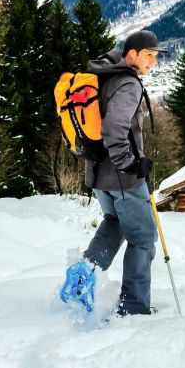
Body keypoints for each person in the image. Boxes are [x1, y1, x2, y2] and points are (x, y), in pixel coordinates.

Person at [60, 29, 169, 316]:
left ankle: (84, 274)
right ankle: (133, 307)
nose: (152, 62)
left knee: (115, 221)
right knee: (143, 239)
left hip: (97, 175)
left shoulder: (102, 76)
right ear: (131, 54)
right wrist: (131, 164)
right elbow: (113, 129)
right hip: (123, 178)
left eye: (155, 57)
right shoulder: (129, 84)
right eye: (148, 56)